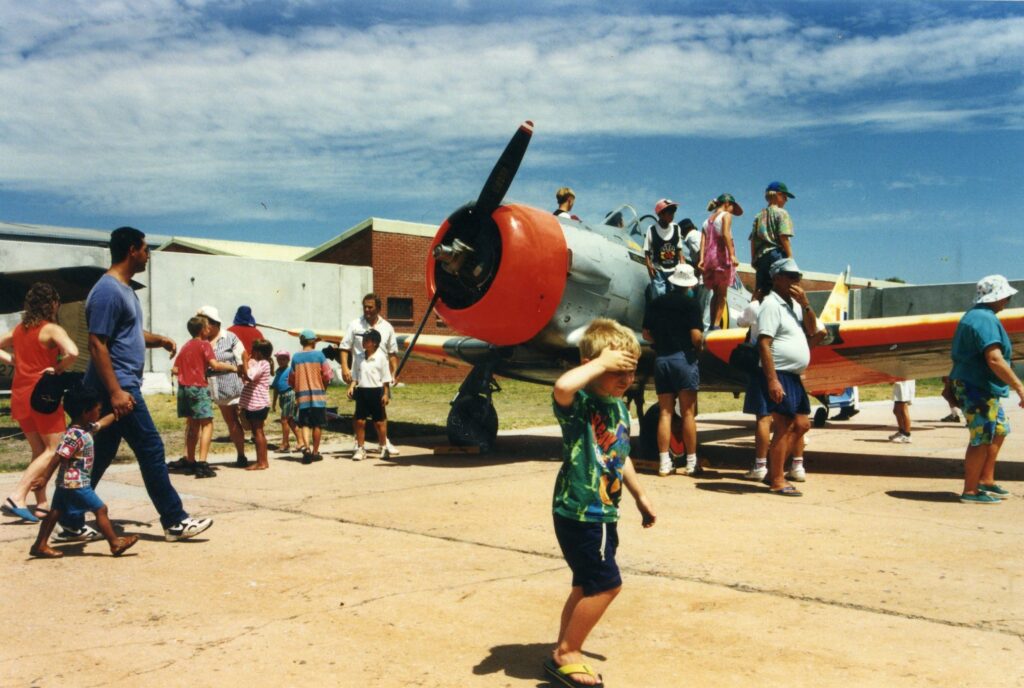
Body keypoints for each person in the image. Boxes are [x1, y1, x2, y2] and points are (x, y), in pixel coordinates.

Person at [56, 226, 212, 543]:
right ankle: (174, 520)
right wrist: (115, 392)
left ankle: (70, 521)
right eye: (145, 249)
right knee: (151, 447)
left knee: (100, 454)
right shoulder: (107, 291)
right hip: (118, 385)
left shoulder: (125, 290)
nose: (148, 255)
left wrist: (159, 340)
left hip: (118, 384)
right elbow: (97, 343)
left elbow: (128, 332)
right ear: (131, 250)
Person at [546, 318, 656, 688]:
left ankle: (562, 649)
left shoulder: (619, 408)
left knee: (586, 584)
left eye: (631, 370)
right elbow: (562, 386)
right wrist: (599, 363)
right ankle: (568, 652)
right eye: (617, 370)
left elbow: (618, 455)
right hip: (581, 510)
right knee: (607, 584)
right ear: (591, 365)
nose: (626, 379)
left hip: (604, 511)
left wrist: (640, 495)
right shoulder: (579, 404)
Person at [29, 384, 139, 558]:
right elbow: (58, 456)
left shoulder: (84, 428)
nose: (99, 413)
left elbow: (102, 423)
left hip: (66, 482)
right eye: (98, 409)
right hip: (76, 483)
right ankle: (115, 543)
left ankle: (39, 545)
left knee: (55, 512)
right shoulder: (74, 435)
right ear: (86, 412)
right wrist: (44, 478)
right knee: (100, 509)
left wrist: (119, 412)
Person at [0, 282, 79, 523]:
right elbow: (73, 352)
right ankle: (17, 495)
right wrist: (58, 368)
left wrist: (14, 361)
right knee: (54, 448)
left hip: (20, 394)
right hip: (43, 395)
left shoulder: (19, 329)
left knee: (39, 451)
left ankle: (42, 504)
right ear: (53, 304)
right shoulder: (51, 329)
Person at [947, 275, 1024, 504]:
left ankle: (985, 480)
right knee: (981, 436)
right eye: (1006, 297)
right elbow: (994, 358)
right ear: (997, 297)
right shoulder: (984, 319)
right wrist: (1019, 387)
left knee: (999, 429)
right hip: (976, 387)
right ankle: (970, 491)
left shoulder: (979, 316)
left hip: (981, 386)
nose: (1007, 301)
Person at [756, 257, 826, 496]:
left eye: (799, 276)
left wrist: (806, 304)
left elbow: (813, 329)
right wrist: (772, 379)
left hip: (793, 375)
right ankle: (777, 480)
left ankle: (773, 471)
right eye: (791, 276)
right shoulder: (771, 304)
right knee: (784, 426)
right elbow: (763, 343)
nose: (797, 280)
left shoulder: (794, 305)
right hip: (780, 373)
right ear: (777, 278)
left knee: (802, 424)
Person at [642, 263, 704, 477]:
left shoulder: (656, 303)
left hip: (661, 359)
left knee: (665, 413)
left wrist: (661, 341)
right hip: (683, 358)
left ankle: (664, 462)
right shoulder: (692, 304)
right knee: (687, 413)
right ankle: (691, 462)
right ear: (690, 285)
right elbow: (696, 336)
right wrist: (699, 347)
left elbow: (646, 334)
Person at [173, 315, 237, 478]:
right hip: (198, 388)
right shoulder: (205, 344)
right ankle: (202, 464)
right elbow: (215, 364)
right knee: (207, 424)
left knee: (192, 424)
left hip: (184, 389)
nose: (210, 329)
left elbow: (175, 369)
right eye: (207, 326)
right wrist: (232, 368)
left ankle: (190, 461)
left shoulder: (186, 345)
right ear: (202, 330)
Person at [340, 293, 400, 456]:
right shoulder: (354, 325)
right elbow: (344, 347)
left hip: (380, 377)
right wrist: (345, 368)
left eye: (370, 307)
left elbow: (392, 353)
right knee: (359, 413)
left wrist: (395, 372)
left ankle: (384, 442)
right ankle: (358, 443)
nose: (366, 310)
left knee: (381, 412)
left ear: (378, 308)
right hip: (361, 376)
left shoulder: (387, 327)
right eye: (364, 307)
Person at [199, 306, 249, 467]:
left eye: (205, 323)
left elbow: (243, 355)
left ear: (214, 324)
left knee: (234, 420)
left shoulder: (230, 337)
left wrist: (244, 372)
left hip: (230, 384)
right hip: (208, 385)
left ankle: (241, 455)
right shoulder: (200, 339)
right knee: (226, 421)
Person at [347, 330, 393, 461]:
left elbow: (385, 379)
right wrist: (351, 386)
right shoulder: (358, 357)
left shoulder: (381, 358)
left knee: (379, 422)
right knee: (360, 421)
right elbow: (355, 375)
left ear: (375, 343)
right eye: (363, 339)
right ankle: (361, 448)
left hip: (376, 391)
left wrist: (386, 394)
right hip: (362, 391)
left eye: (367, 339)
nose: (363, 342)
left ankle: (383, 447)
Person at [290, 329, 333, 464]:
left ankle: (307, 449)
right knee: (317, 425)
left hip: (302, 397)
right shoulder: (319, 355)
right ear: (314, 342)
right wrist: (324, 386)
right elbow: (328, 374)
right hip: (318, 396)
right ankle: (315, 452)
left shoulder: (296, 357)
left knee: (305, 424)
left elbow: (291, 378)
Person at [700, 193, 742, 330]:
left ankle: (712, 322)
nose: (732, 211)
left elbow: (703, 242)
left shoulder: (707, 220)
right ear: (727, 203)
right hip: (722, 257)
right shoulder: (726, 215)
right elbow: (725, 233)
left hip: (709, 259)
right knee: (722, 294)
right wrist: (732, 255)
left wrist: (701, 259)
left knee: (715, 293)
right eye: (732, 207)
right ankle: (716, 325)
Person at [749, 181, 796, 302]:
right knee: (781, 291)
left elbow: (753, 239)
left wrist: (753, 259)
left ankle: (753, 312)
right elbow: (783, 236)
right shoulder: (782, 213)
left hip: (761, 257)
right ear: (777, 195)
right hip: (777, 255)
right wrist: (790, 258)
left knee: (760, 290)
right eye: (785, 196)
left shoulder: (759, 216)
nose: (786, 200)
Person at [240, 339, 274, 471]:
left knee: (258, 432)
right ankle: (262, 460)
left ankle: (262, 462)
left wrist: (244, 361)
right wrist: (246, 364)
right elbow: (247, 376)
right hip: (255, 403)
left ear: (259, 352)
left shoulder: (263, 364)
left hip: (258, 403)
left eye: (253, 350)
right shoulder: (259, 363)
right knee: (257, 432)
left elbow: (250, 376)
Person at [643, 198, 684, 300]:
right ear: (660, 214)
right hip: (659, 270)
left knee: (673, 296)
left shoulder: (676, 228)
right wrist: (649, 266)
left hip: (674, 269)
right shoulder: (651, 229)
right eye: (669, 213)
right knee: (659, 295)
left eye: (673, 212)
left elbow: (679, 248)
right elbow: (647, 250)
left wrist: (682, 263)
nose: (672, 215)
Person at [272, 350, 301, 453]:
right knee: (290, 421)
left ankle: (285, 444)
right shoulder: (278, 372)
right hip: (282, 396)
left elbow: (297, 384)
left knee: (284, 420)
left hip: (290, 395)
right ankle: (301, 442)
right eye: (279, 359)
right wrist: (274, 403)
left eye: (283, 359)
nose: (281, 361)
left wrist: (298, 398)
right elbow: (275, 388)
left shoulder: (290, 370)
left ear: (288, 360)